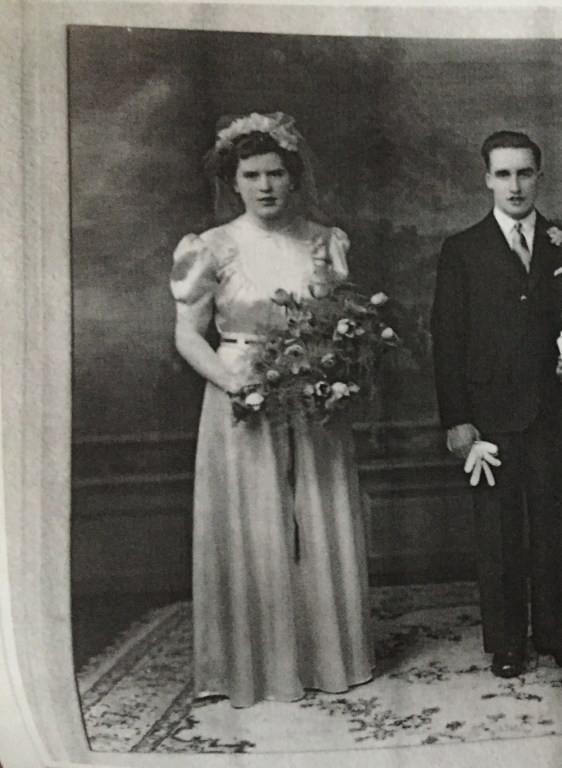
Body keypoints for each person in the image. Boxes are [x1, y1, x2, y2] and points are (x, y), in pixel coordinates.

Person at [170, 112, 373, 707]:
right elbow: (188, 335)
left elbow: (342, 323)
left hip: (314, 394)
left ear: (293, 177)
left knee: (320, 514)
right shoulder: (210, 247)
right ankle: (256, 667)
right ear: (233, 181)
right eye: (252, 175)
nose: (265, 186)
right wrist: (233, 381)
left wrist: (334, 371)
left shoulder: (324, 242)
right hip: (242, 394)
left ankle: (328, 658)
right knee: (253, 523)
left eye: (276, 174)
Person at [430, 130, 562, 678]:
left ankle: (558, 633)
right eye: (503, 174)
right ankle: (507, 642)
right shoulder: (462, 250)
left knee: (556, 524)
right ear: (487, 179)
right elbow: (447, 339)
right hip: (491, 412)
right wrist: (457, 419)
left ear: (539, 177)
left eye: (524, 173)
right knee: (498, 533)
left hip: (556, 409)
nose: (515, 185)